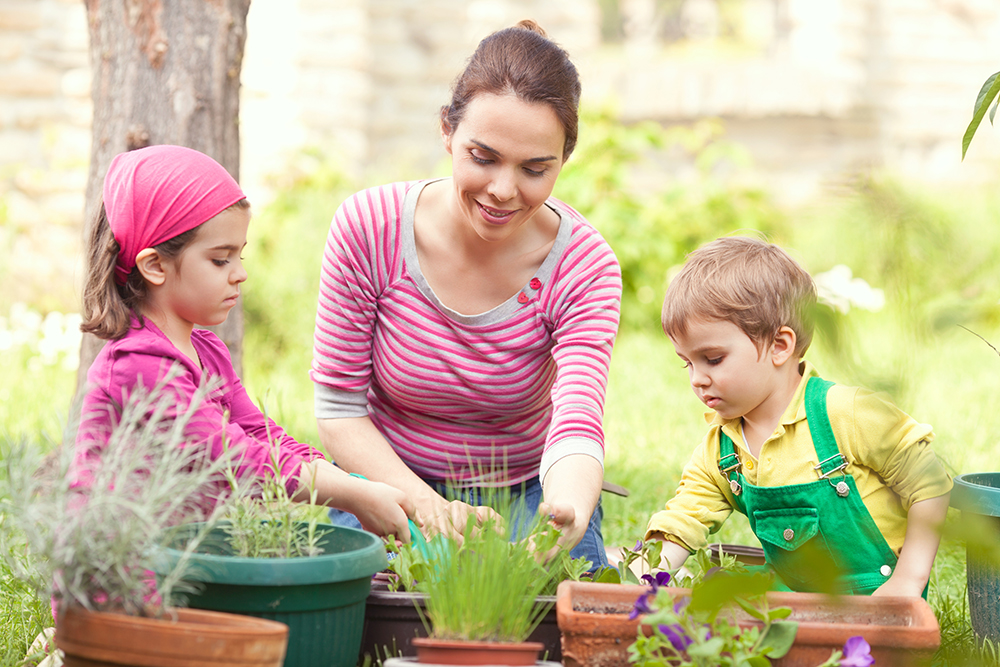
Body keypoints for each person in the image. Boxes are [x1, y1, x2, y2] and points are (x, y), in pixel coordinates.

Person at [310, 20, 622, 566]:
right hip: (390, 477)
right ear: (447, 131)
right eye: (483, 157)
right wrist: (429, 508)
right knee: (389, 593)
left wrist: (566, 511)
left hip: (525, 490)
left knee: (560, 597)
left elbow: (576, 416)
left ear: (563, 160)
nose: (503, 190)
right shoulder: (369, 228)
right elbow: (339, 409)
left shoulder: (584, 265)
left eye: (535, 169)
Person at [75, 144, 414, 539]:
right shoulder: (138, 365)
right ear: (155, 266)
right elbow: (236, 459)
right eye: (221, 260)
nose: (240, 274)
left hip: (185, 559)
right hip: (120, 579)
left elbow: (259, 434)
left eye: (240, 256)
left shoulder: (206, 349)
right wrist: (353, 495)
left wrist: (357, 486)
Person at [645, 235, 952, 596]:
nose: (697, 379)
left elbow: (929, 482)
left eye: (712, 359)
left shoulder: (844, 414)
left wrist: (908, 580)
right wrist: (643, 577)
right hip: (791, 609)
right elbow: (683, 519)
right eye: (688, 363)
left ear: (779, 346)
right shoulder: (722, 449)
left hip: (877, 602)